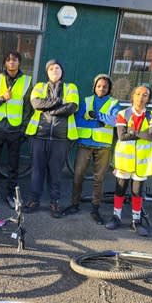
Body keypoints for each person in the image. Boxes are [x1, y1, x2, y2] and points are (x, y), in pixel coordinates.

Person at [62, 74, 121, 224]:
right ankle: (74, 204)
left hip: (103, 146)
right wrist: (97, 123)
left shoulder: (114, 103)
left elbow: (115, 121)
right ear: (94, 87)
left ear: (109, 89)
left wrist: (98, 115)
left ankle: (95, 209)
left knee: (98, 179)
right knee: (78, 175)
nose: (101, 89)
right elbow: (78, 120)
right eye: (99, 86)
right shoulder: (86, 101)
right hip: (85, 143)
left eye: (105, 87)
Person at [23, 59, 79, 218]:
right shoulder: (39, 86)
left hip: (60, 138)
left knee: (56, 172)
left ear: (62, 71)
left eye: (58, 67)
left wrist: (50, 110)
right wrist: (58, 102)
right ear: (47, 72)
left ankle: (55, 202)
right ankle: (34, 200)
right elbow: (36, 103)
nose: (55, 70)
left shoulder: (71, 87)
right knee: (37, 170)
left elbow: (72, 107)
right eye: (51, 68)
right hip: (39, 135)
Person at [105, 85, 152, 236]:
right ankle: (116, 217)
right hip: (124, 161)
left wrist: (133, 132)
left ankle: (136, 220)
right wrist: (142, 133)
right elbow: (122, 136)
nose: (140, 97)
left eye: (145, 95)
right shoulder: (123, 113)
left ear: (148, 98)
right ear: (133, 96)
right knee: (120, 190)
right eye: (138, 94)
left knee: (137, 192)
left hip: (141, 163)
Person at [0, 51, 32, 208]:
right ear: (5, 63)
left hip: (15, 129)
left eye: (15, 60)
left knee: (13, 165)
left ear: (19, 63)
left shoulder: (27, 81)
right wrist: (2, 98)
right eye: (8, 60)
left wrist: (23, 128)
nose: (12, 63)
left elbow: (29, 108)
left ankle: (11, 194)